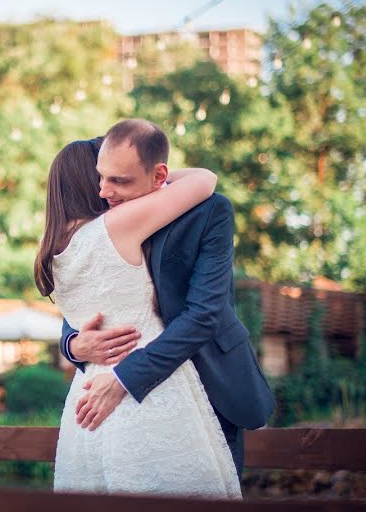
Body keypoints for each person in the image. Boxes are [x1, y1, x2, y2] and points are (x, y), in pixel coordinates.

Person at [36, 119, 273, 496]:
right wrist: (73, 344)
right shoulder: (103, 228)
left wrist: (124, 376)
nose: (106, 190)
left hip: (210, 378)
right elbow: (88, 310)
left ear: (154, 173)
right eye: (101, 178)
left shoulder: (208, 212)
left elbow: (204, 314)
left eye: (118, 180)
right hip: (122, 396)